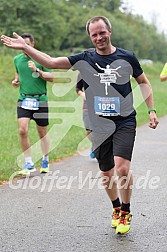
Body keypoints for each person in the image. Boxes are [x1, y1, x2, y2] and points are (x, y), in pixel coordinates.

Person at [1, 16, 159, 234]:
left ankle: (125, 210)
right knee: (106, 173)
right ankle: (115, 207)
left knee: (122, 168)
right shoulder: (85, 59)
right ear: (90, 37)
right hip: (99, 123)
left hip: (124, 120)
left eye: (102, 32)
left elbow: (143, 82)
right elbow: (50, 62)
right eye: (94, 34)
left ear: (109, 31)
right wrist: (26, 48)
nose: (98, 37)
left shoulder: (127, 57)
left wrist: (151, 110)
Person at [11, 32, 54, 175]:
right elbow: (18, 76)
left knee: (42, 132)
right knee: (22, 130)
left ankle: (45, 159)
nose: (25, 48)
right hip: (24, 99)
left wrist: (37, 70)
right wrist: (15, 81)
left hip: (40, 100)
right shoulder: (17, 59)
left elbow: (51, 77)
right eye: (22, 46)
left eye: (27, 46)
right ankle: (28, 162)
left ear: (33, 45)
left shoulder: (42, 59)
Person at [76, 74, 95, 159]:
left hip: (100, 103)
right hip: (87, 105)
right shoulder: (82, 72)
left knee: (99, 129)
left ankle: (100, 148)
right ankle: (95, 145)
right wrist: (82, 94)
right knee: (88, 131)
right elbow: (78, 88)